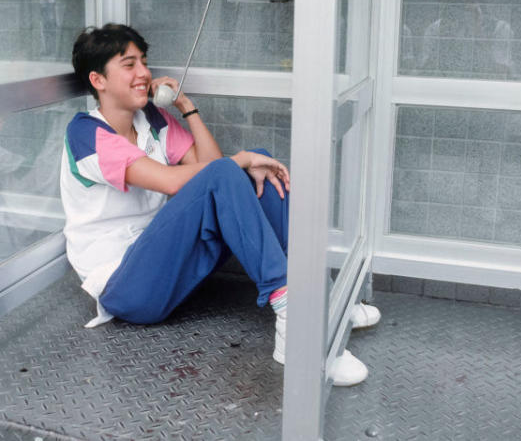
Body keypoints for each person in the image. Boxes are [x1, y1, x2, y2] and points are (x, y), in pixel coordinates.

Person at [60, 23, 374, 385]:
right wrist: (236, 161)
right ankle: (294, 320)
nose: (144, 73)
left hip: (165, 263)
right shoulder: (86, 134)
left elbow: (205, 165)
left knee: (257, 163)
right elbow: (175, 180)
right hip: (127, 288)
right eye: (129, 65)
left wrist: (186, 107)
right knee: (237, 165)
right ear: (98, 80)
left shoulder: (152, 119)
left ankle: (314, 293)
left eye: (144, 62)